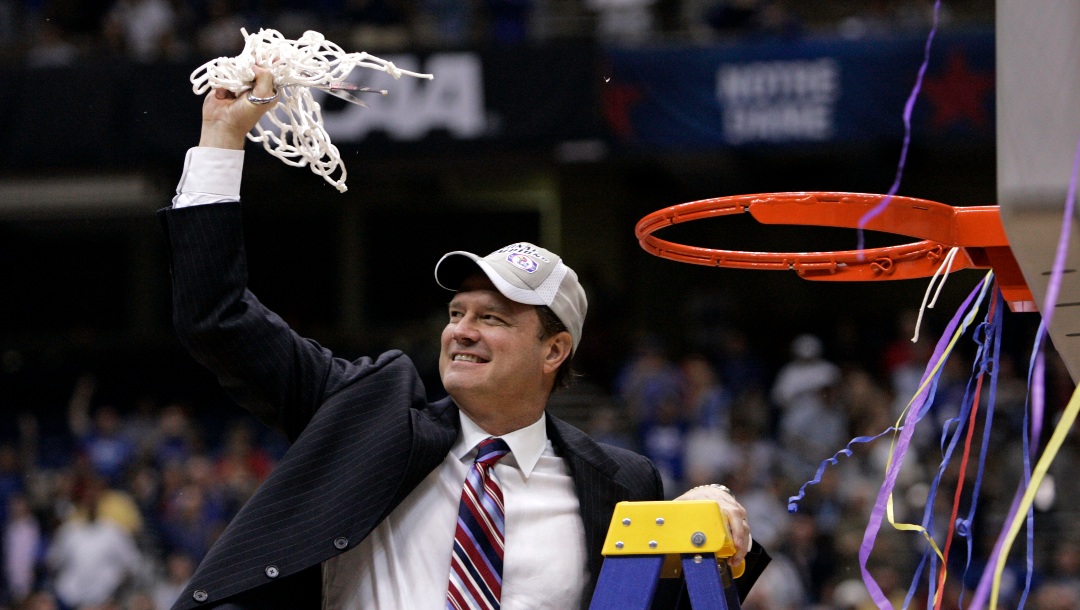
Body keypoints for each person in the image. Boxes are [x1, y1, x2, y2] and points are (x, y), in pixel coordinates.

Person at [158, 65, 770, 609]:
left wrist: (713, 530)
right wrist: (221, 137)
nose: (463, 332)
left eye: (494, 319)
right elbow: (217, 318)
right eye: (458, 313)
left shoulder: (623, 483)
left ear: (554, 351)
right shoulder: (366, 412)